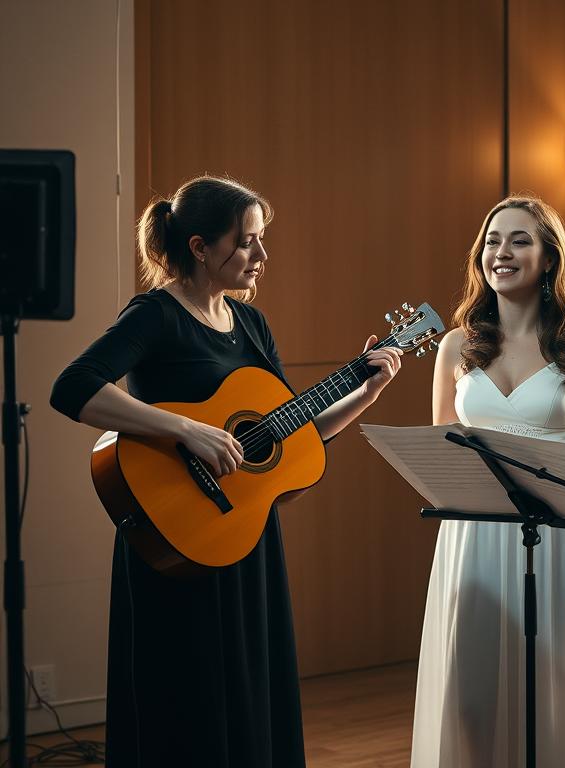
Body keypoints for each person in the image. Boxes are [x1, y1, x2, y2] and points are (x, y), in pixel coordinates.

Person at [50, 175, 403, 768]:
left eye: (260, 240)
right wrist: (184, 429)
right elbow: (74, 387)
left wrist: (365, 392)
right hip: (175, 532)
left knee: (249, 690)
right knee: (186, 701)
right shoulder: (155, 315)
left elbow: (289, 435)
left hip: (244, 531)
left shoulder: (251, 325)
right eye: (246, 242)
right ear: (198, 246)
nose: (261, 255)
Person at [410, 196, 565, 767]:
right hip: (474, 534)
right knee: (469, 691)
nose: (502, 252)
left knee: (556, 685)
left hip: (561, 533)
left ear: (549, 258)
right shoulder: (455, 346)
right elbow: (446, 447)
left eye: (520, 240)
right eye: (493, 240)